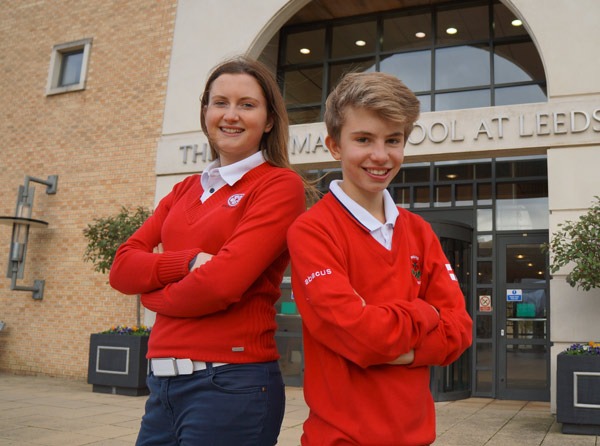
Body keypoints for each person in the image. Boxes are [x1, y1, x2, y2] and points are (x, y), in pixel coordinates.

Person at [109, 56, 306, 446]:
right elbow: (122, 268)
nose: (231, 115)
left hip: (230, 384)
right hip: (162, 385)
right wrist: (186, 261)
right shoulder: (184, 189)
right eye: (220, 102)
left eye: (247, 105)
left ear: (268, 120)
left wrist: (152, 295)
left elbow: (221, 285)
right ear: (205, 111)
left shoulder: (279, 186)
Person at [287, 72, 473, 446]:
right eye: (363, 139)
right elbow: (360, 335)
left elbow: (460, 332)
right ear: (335, 146)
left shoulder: (419, 230)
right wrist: (425, 314)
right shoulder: (312, 230)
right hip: (340, 439)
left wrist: (392, 345)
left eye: (393, 140)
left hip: (417, 437)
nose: (380, 155)